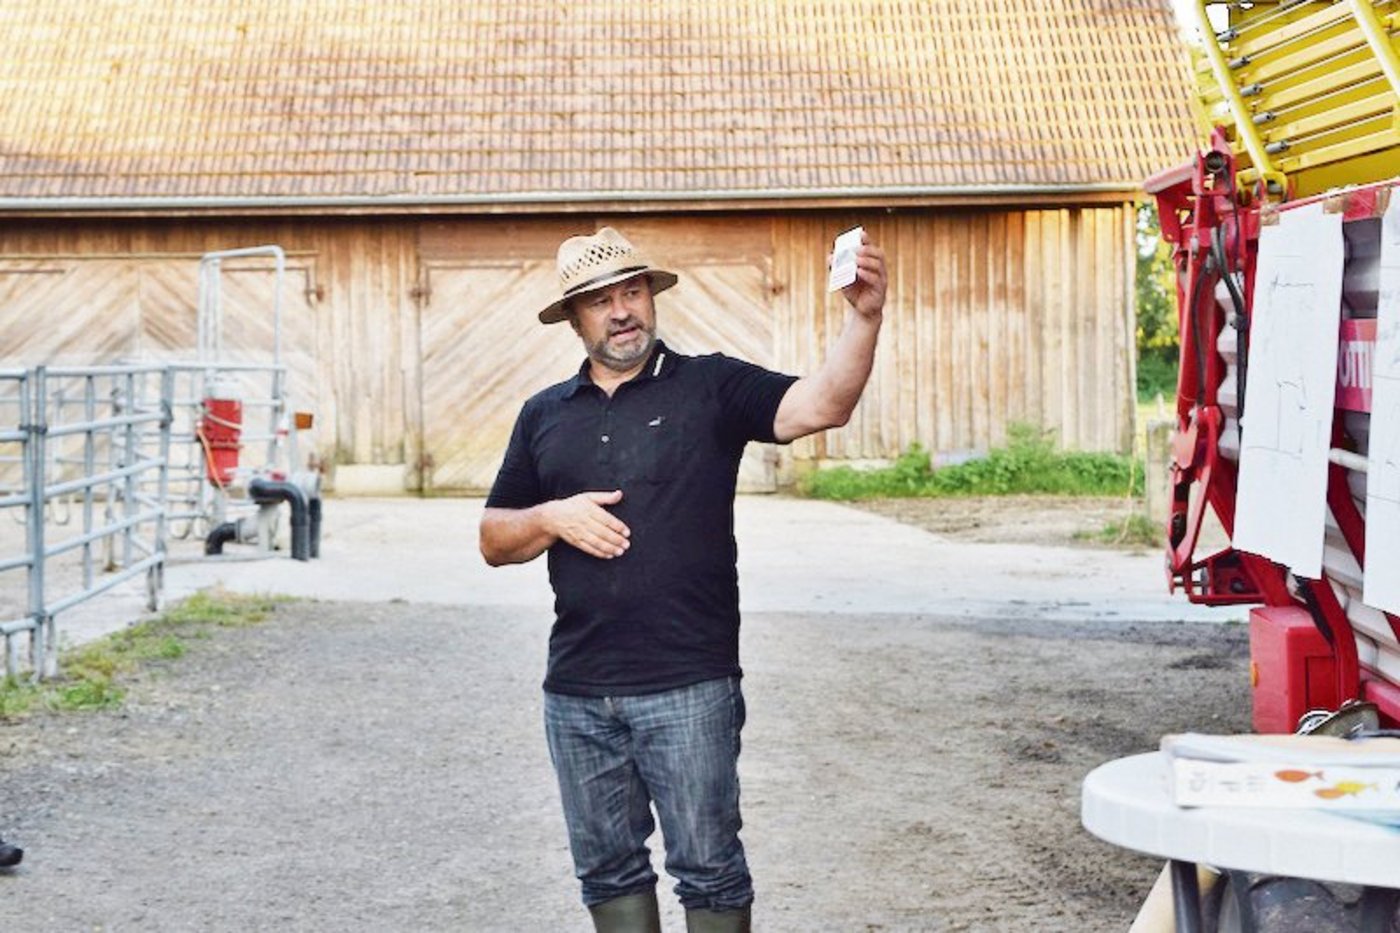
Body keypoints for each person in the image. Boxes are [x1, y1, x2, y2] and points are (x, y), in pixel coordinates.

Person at [479, 226, 886, 932]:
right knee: (606, 868)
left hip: (689, 684)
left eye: (632, 291)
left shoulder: (711, 385)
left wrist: (864, 316)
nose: (621, 310)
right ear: (574, 319)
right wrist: (554, 515)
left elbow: (822, 404)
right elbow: (493, 538)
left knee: (709, 866)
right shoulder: (544, 414)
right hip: (576, 693)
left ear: (651, 297)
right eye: (600, 301)